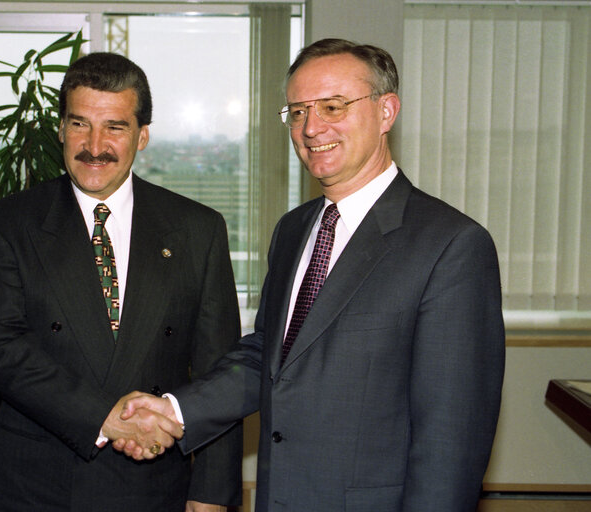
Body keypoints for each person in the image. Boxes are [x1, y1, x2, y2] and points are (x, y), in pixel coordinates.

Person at [118, 38, 505, 511]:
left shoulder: (451, 246)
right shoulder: (294, 229)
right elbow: (271, 356)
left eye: (333, 106)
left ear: (386, 112)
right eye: (297, 111)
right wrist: (176, 410)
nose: (311, 127)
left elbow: (451, 442)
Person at [0, 52, 242, 512]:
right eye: (79, 124)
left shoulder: (198, 229)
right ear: (60, 129)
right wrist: (104, 417)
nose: (94, 145)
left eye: (114, 127)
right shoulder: (10, 223)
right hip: (36, 486)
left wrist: (211, 492)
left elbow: (222, 369)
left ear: (142, 136)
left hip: (154, 486)